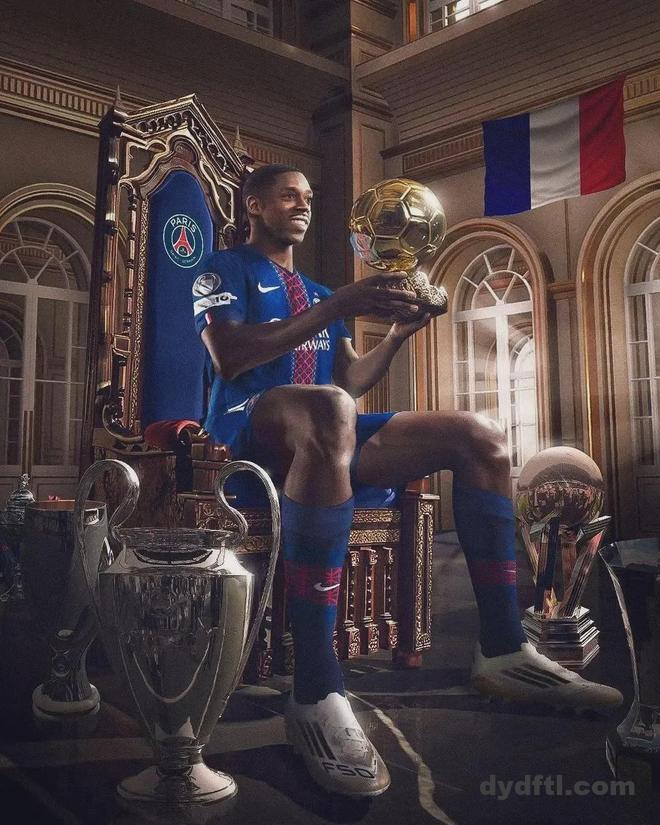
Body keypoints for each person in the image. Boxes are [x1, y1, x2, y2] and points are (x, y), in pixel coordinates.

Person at [192, 163, 622, 798]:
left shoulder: (315, 289)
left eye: (308, 197)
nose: (303, 206)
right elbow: (231, 357)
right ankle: (316, 688)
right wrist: (343, 303)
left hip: (325, 429)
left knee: (480, 433)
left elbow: (350, 381)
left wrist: (396, 335)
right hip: (244, 431)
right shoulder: (219, 269)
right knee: (330, 410)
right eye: (288, 196)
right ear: (254, 204)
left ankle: (504, 649)